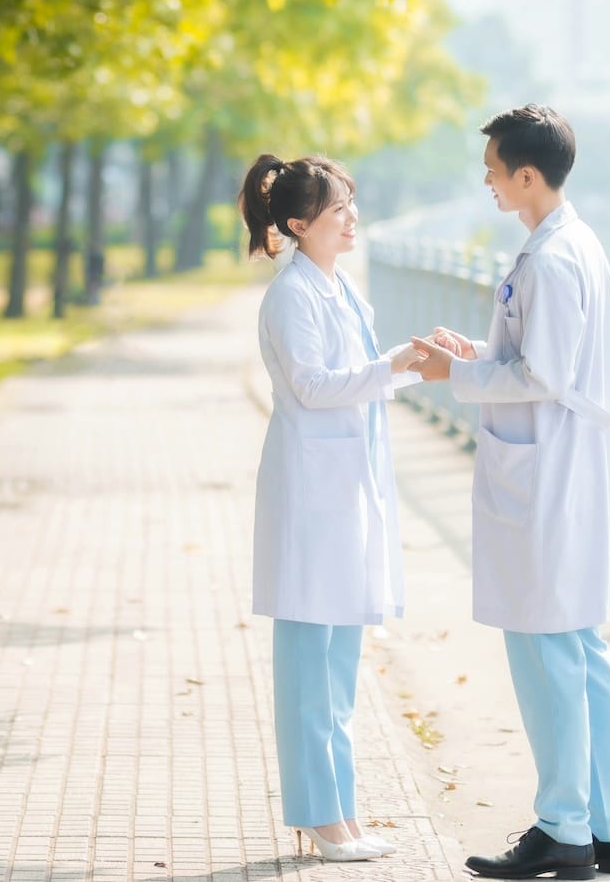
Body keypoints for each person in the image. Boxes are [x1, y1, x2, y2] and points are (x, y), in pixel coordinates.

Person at [408, 104, 610, 880]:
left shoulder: (547, 259)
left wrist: (457, 373)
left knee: (547, 654)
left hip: (548, 478)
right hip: (566, 466)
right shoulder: (576, 244)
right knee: (579, 647)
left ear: (527, 175)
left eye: (494, 168)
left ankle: (563, 829)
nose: (487, 180)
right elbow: (546, 357)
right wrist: (476, 351)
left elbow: (541, 376)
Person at [239, 154, 423, 863]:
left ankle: (340, 811)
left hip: (346, 490)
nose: (352, 219)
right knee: (309, 664)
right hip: (310, 497)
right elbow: (316, 386)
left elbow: (361, 381)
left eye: (351, 205)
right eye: (338, 208)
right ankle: (318, 813)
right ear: (297, 224)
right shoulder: (291, 297)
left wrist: (407, 363)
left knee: (340, 662)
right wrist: (394, 365)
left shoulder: (342, 291)